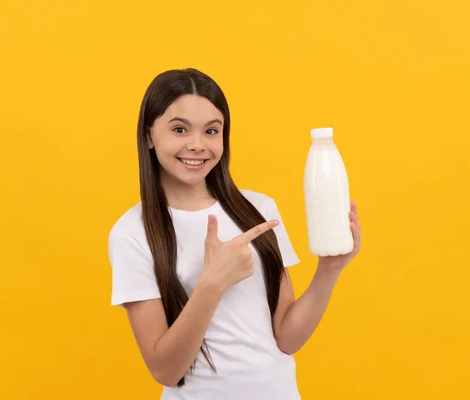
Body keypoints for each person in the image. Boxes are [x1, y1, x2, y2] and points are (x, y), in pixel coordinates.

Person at [108, 68, 361, 400]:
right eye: (180, 129)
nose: (197, 145)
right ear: (149, 136)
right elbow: (165, 370)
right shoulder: (132, 233)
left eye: (211, 131)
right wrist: (212, 284)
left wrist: (330, 269)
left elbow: (286, 339)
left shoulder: (258, 210)